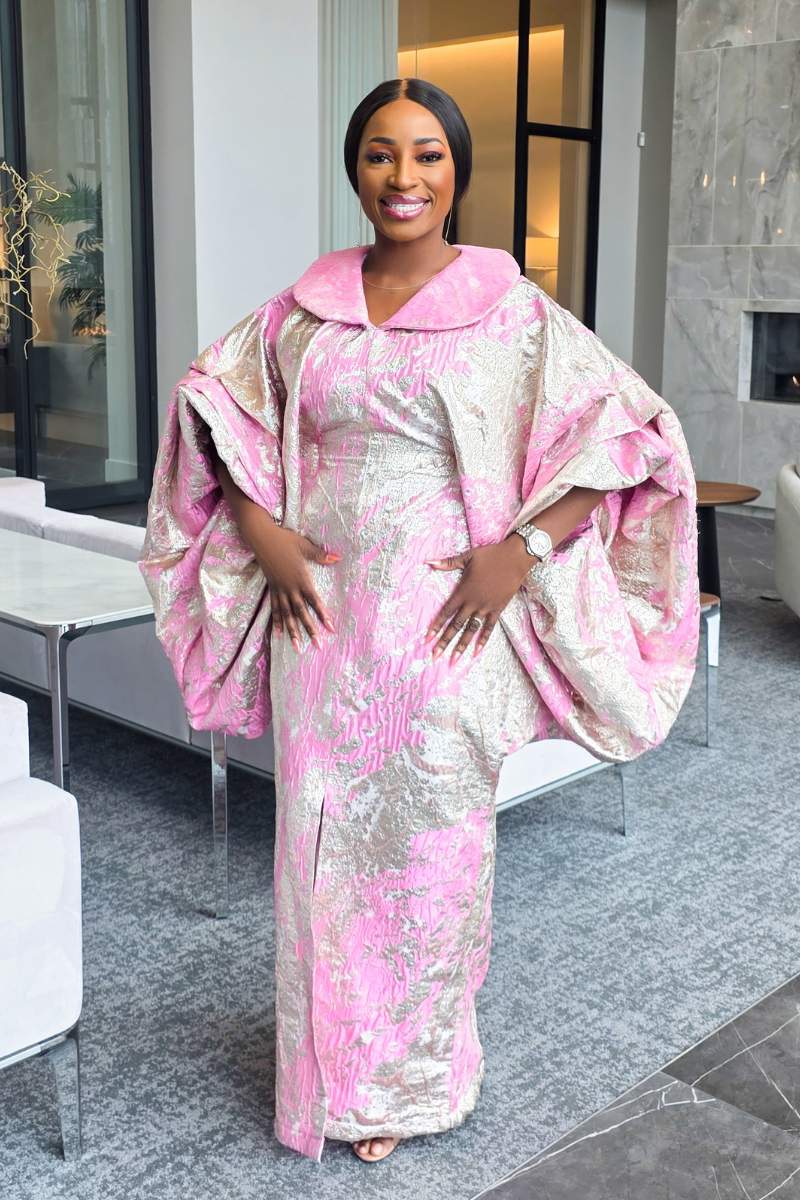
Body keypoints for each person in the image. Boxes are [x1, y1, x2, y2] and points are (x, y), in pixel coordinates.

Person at [140, 78, 698, 1164]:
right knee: (318, 853)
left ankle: (407, 1081)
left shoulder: (510, 313)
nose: (404, 177)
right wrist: (262, 531)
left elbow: (628, 434)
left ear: (456, 170)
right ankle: (327, 1080)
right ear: (355, 169)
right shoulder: (300, 313)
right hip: (322, 627)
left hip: (448, 629)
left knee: (428, 860)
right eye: (382, 154)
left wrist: (520, 554)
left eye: (428, 154)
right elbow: (214, 415)